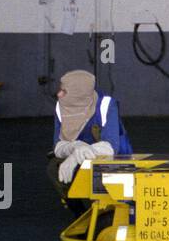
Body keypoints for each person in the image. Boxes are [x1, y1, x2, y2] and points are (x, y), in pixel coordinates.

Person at [48, 70, 133, 205]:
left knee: (110, 194)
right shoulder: (61, 107)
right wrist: (74, 147)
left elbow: (111, 147)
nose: (59, 94)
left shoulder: (106, 105)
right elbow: (58, 145)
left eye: (64, 91)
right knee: (54, 168)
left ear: (79, 92)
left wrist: (79, 155)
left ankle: (110, 207)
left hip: (113, 157)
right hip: (79, 153)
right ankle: (78, 210)